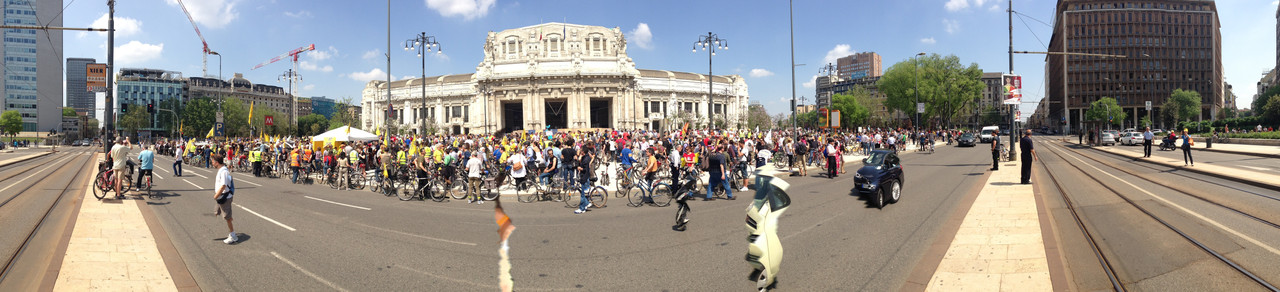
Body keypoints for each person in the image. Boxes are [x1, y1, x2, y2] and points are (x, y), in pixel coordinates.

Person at [211, 153, 237, 244]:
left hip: (225, 197)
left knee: (227, 217)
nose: (212, 163)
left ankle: (233, 235)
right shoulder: (221, 170)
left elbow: (223, 185)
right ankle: (228, 217)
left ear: (217, 162)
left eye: (213, 162)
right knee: (217, 211)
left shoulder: (224, 172)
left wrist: (216, 196)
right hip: (221, 197)